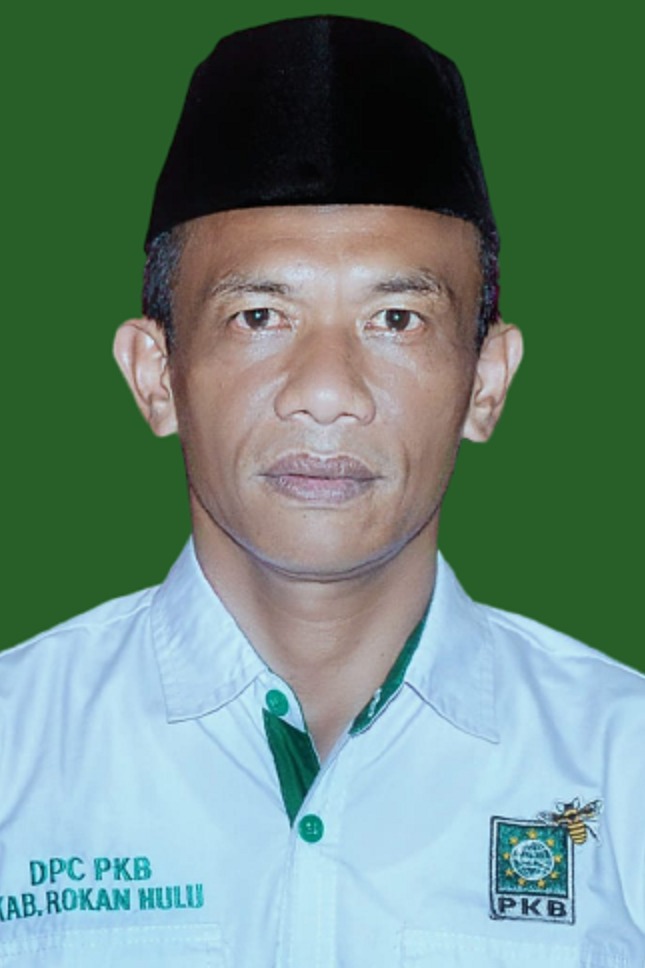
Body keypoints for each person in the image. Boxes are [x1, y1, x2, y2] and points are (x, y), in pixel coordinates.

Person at [0, 15, 643, 966]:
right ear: (154, 375)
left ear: (486, 382)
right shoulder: (14, 750)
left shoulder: (620, 765)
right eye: (260, 315)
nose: (328, 392)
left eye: (397, 319)